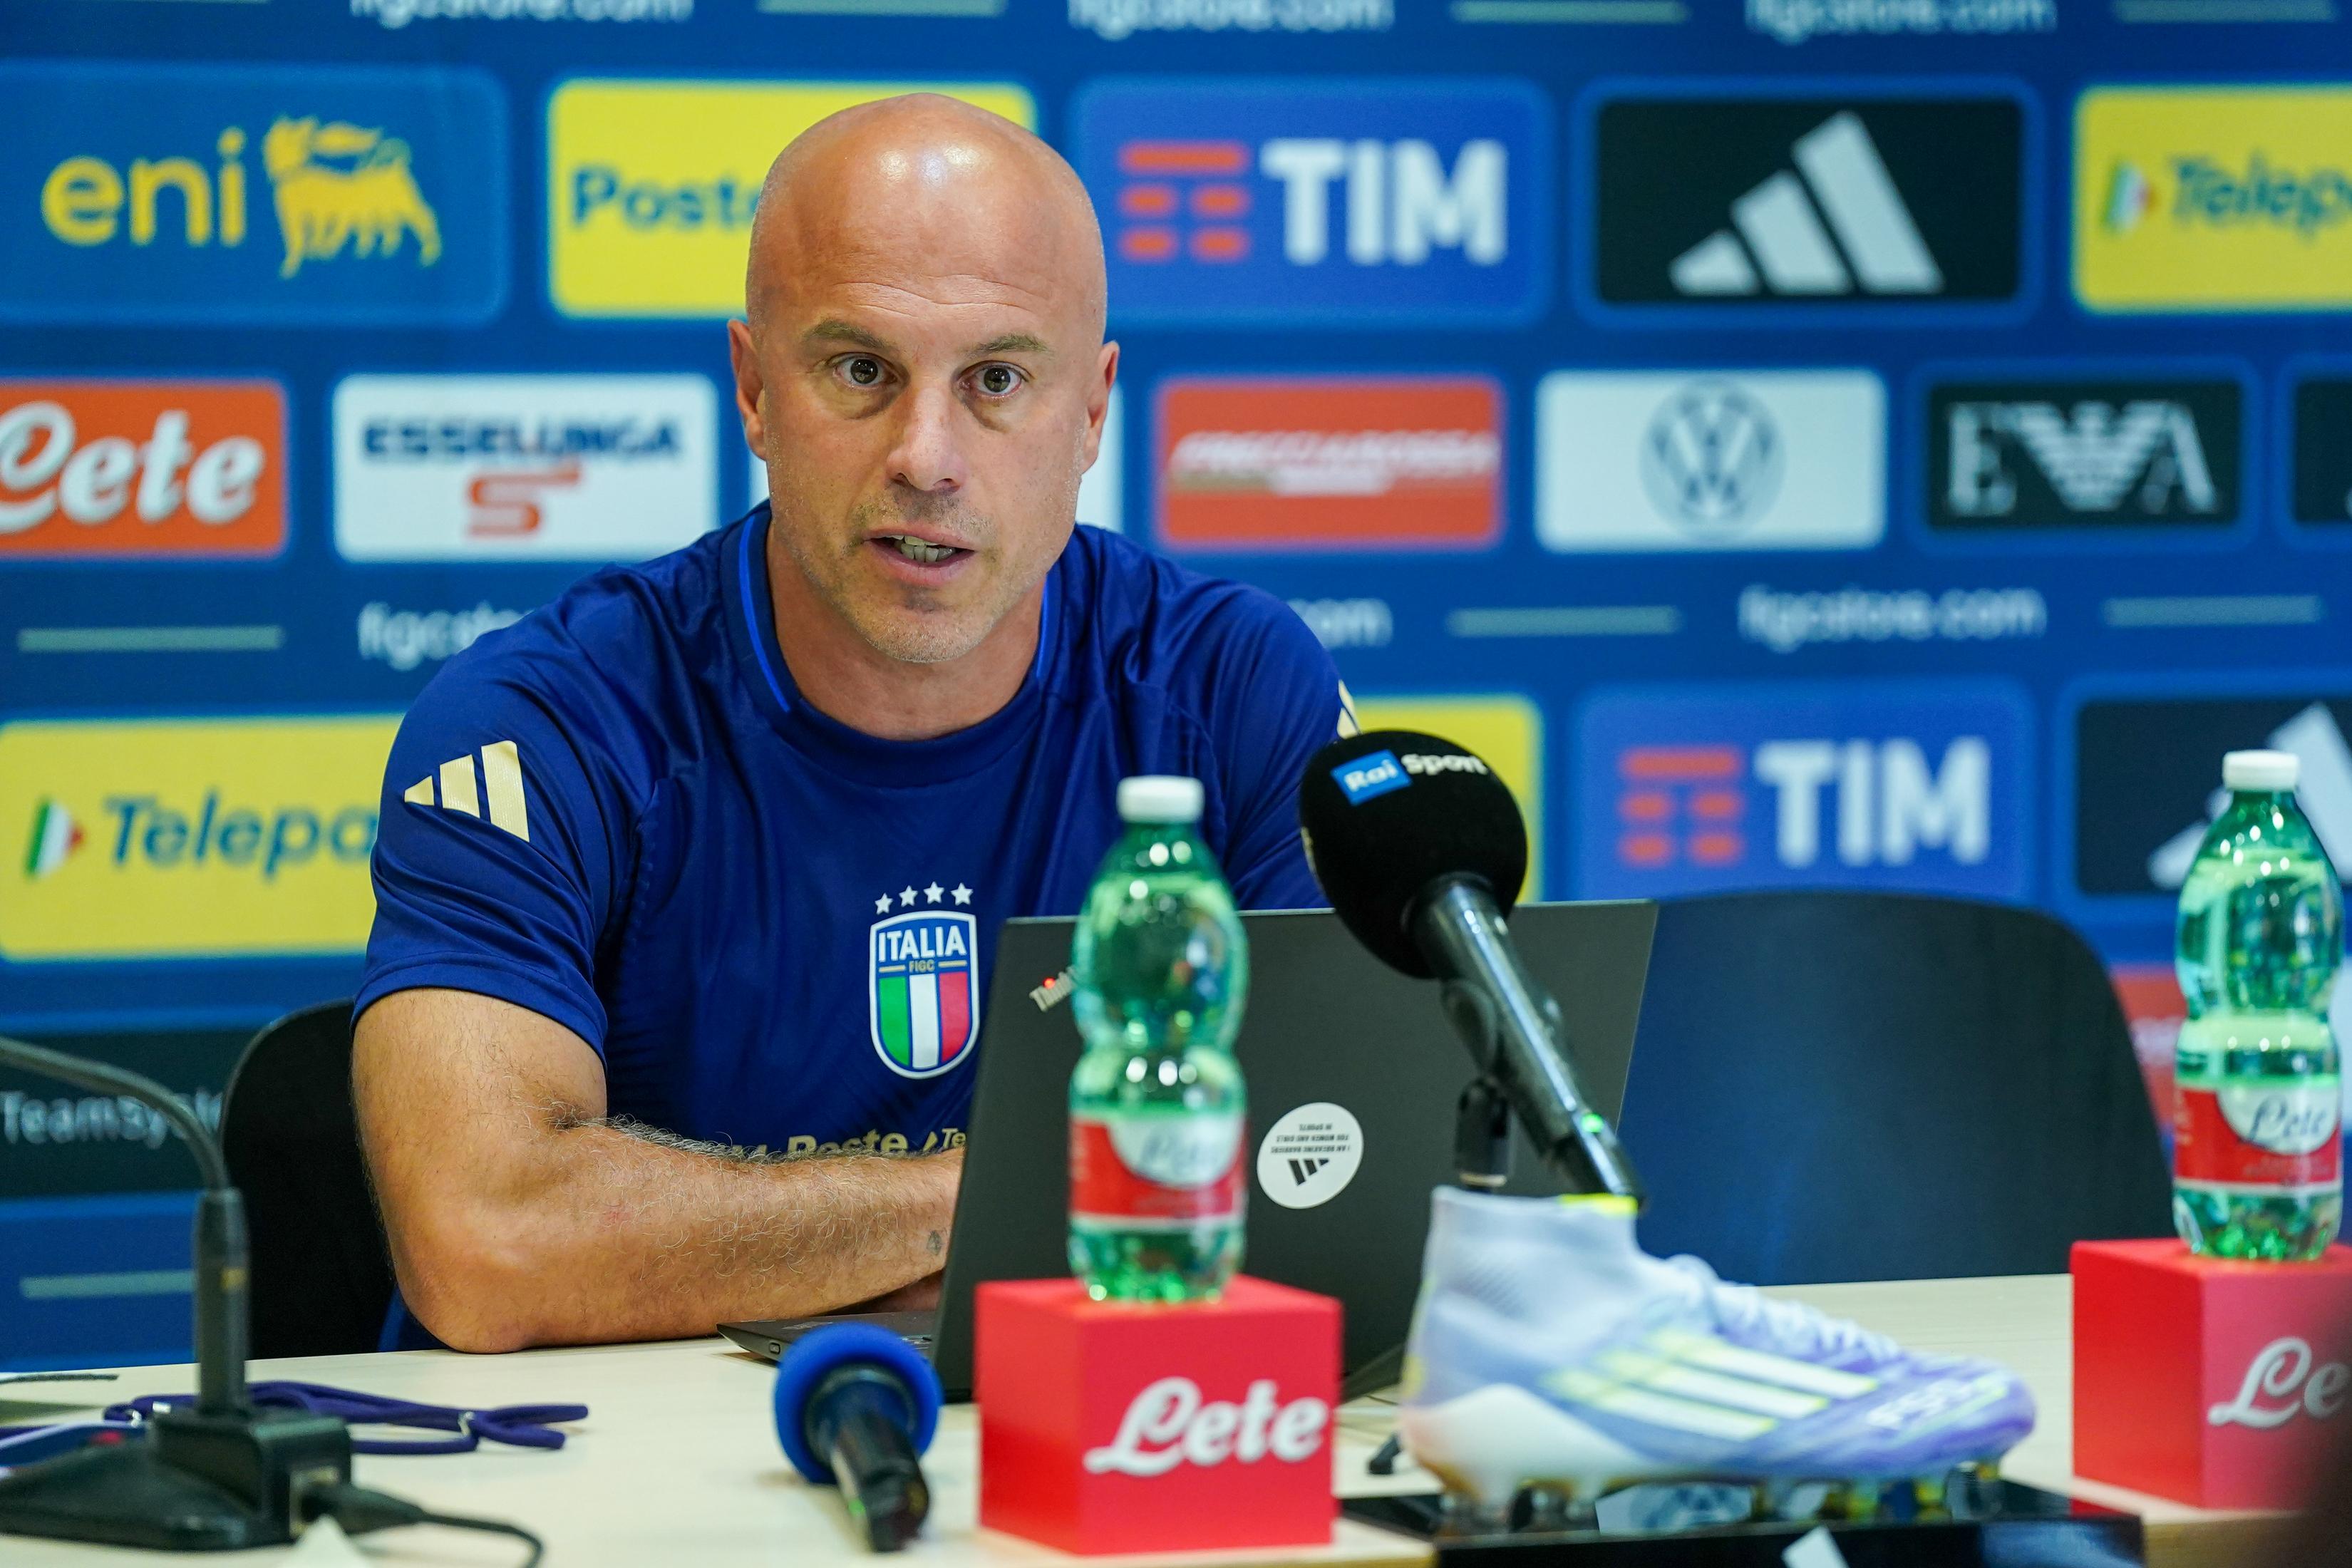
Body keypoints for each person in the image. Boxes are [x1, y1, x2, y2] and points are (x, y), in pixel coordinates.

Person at [351, 95, 1353, 1352]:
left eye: (997, 380)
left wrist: (745, 1245)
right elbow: (489, 1247)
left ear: (1092, 411)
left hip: (1083, 1468)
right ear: (756, 390)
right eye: (861, 371)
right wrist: (1024, 1200)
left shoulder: (1233, 687)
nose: (926, 456)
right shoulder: (538, 726)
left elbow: (1337, 1166)